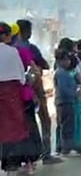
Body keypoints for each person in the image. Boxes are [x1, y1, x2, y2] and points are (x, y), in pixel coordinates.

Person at [14, 20, 43, 174]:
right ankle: (33, 159)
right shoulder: (26, 49)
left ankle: (15, 163)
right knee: (30, 126)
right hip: (25, 95)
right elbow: (37, 69)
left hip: (8, 99)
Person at [0, 22, 29, 175]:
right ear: (5, 36)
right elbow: (22, 77)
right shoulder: (12, 52)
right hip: (11, 94)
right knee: (13, 128)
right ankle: (11, 163)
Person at [54, 50, 80, 156]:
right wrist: (75, 93)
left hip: (62, 101)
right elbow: (64, 89)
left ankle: (60, 147)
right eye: (66, 59)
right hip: (66, 101)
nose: (68, 62)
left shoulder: (62, 72)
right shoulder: (62, 73)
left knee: (62, 125)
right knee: (67, 125)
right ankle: (67, 149)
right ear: (60, 61)